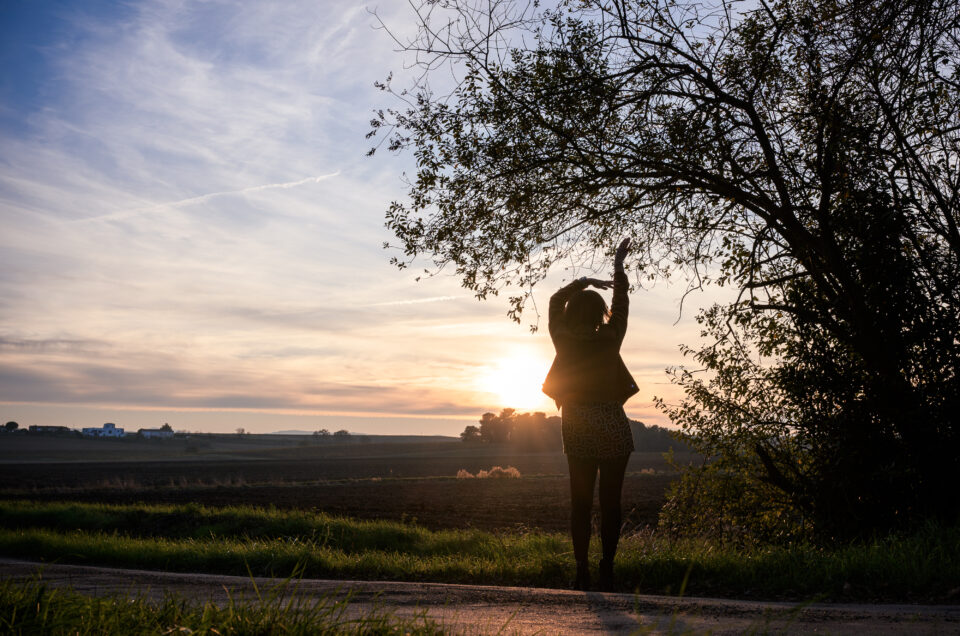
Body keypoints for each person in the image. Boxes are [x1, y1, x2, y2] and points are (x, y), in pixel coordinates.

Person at [542, 238, 639, 591]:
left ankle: (581, 572)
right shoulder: (611, 336)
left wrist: (583, 281)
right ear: (600, 313)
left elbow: (553, 300)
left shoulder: (563, 339)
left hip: (578, 429)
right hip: (613, 427)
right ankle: (607, 570)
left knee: (580, 503)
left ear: (570, 314)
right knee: (611, 504)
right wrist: (617, 266)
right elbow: (622, 303)